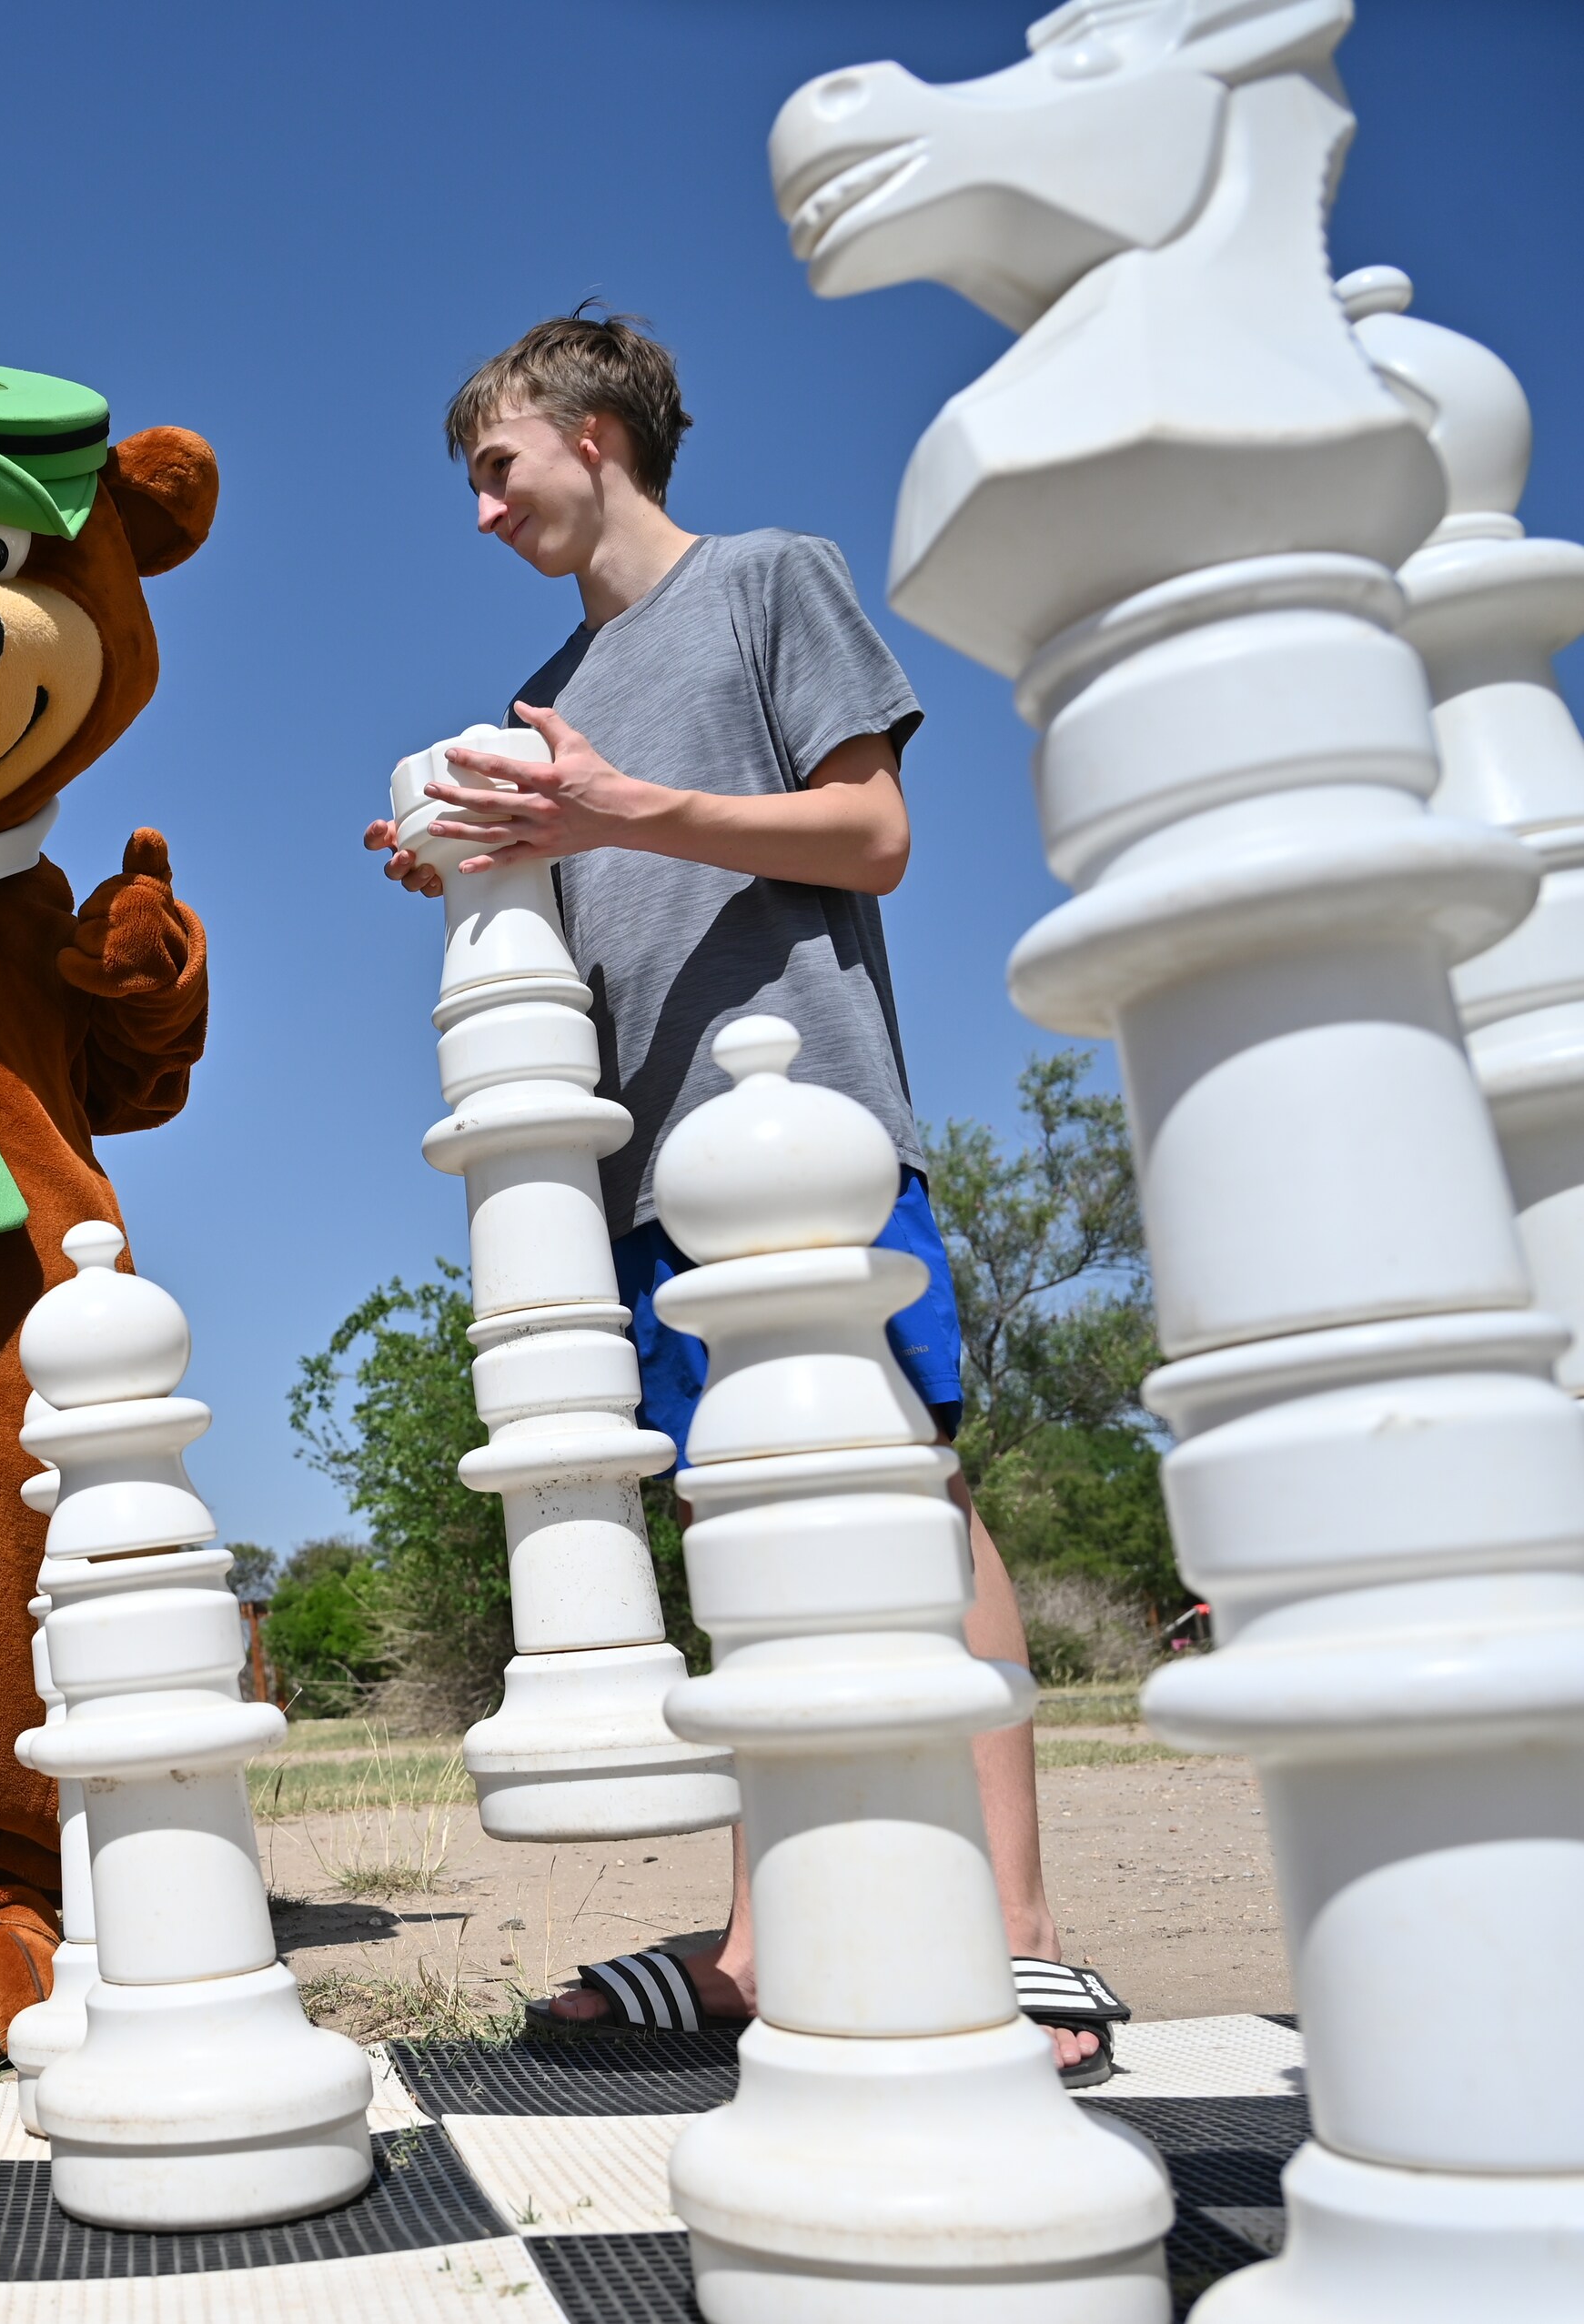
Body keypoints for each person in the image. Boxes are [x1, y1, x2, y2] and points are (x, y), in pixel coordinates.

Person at [365, 309, 1128, 2084]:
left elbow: (872, 834)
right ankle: (763, 1938)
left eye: (497, 467)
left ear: (594, 434)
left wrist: (618, 806)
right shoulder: (548, 694)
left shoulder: (770, 580)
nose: (482, 510)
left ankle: (1017, 1927)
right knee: (740, 1524)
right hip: (642, 1171)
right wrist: (474, 871)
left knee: (907, 1489)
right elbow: (587, 896)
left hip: (813, 1137)